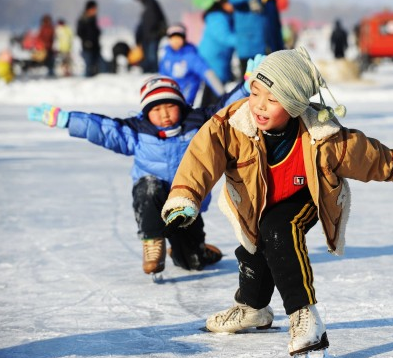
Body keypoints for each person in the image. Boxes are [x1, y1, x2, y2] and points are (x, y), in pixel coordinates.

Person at [161, 47, 393, 356]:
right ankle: (253, 307)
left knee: (279, 231)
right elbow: (200, 159)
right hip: (254, 201)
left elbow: (363, 155)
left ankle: (305, 317)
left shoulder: (322, 133)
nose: (259, 106)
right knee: (253, 248)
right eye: (255, 93)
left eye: (273, 99)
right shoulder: (230, 125)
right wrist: (185, 197)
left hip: (303, 196)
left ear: (293, 105)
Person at [26, 74, 252, 276]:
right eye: (156, 109)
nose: (164, 115)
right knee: (149, 186)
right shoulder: (137, 131)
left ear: (181, 105)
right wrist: (66, 119)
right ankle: (153, 242)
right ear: (146, 112)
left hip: (186, 203)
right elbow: (104, 129)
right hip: (151, 195)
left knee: (191, 263)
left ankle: (196, 251)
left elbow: (225, 109)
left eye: (170, 107)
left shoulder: (198, 123)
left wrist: (246, 85)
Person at [159, 24, 225, 106]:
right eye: (173, 38)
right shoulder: (166, 55)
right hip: (170, 96)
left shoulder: (191, 56)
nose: (176, 41)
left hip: (186, 101)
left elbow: (207, 73)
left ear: (184, 39)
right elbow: (163, 76)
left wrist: (222, 93)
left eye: (179, 38)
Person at [198, 0, 237, 107]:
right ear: (223, 3)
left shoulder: (223, 16)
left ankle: (207, 113)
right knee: (214, 89)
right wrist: (243, 41)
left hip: (218, 57)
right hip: (213, 58)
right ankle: (208, 114)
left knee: (212, 88)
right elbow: (224, 37)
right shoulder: (217, 17)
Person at [229, 0, 284, 74]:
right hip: (249, 50)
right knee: (249, 83)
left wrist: (279, 49)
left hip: (268, 50)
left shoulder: (270, 3)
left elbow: (275, 25)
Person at [135, 0, 167, 73]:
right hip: (146, 38)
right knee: (147, 56)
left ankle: (153, 72)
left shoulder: (152, 5)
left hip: (153, 36)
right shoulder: (146, 7)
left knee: (152, 57)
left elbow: (161, 20)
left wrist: (159, 32)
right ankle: (148, 71)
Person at [77, 1, 102, 77]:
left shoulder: (93, 19)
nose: (95, 11)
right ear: (89, 9)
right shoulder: (83, 19)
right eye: (94, 9)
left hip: (95, 47)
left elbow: (96, 32)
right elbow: (80, 32)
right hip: (87, 48)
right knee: (89, 68)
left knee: (97, 68)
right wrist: (86, 41)